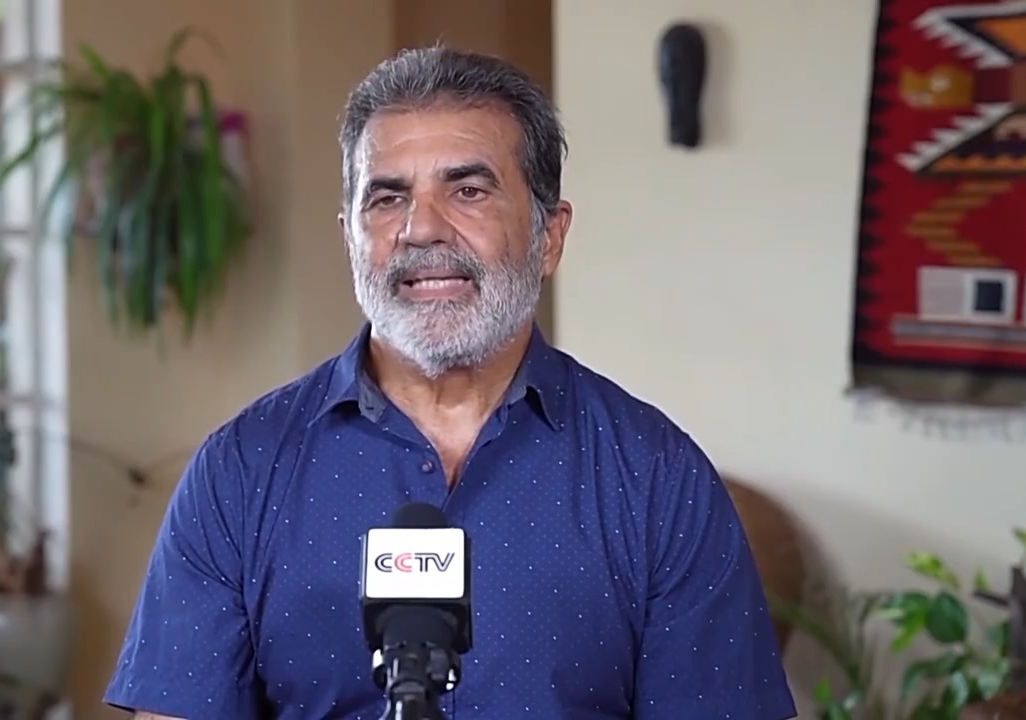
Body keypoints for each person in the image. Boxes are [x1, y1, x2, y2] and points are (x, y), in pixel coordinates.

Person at [103, 46, 797, 720]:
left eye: (468, 191)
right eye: (388, 197)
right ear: (349, 237)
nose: (421, 228)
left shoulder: (656, 479)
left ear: (548, 236)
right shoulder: (241, 472)